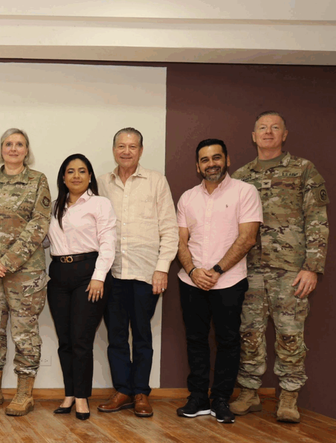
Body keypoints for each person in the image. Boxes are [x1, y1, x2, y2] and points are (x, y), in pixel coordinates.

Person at [230, 112, 330, 423]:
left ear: (284, 134)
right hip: (249, 269)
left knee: (290, 334)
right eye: (263, 128)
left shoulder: (303, 170)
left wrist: (312, 266)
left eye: (275, 128)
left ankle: (288, 396)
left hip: (291, 270)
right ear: (253, 135)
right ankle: (249, 392)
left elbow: (317, 219)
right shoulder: (240, 176)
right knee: (249, 333)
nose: (268, 132)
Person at [175, 139, 262, 424]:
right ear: (197, 166)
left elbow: (248, 238)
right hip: (191, 281)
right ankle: (198, 397)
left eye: (216, 157)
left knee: (228, 341)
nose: (211, 163)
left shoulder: (245, 192)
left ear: (227, 160)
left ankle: (221, 399)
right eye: (205, 159)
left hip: (229, 281)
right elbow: (180, 240)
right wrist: (192, 271)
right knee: (195, 340)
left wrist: (216, 270)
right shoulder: (188, 197)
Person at [0, 128, 50, 417]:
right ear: (1, 149)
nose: (13, 149)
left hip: (25, 274)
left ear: (27, 150)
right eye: (8, 144)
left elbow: (39, 224)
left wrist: (8, 261)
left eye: (19, 144)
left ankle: (24, 394)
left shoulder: (37, 180)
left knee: (24, 333)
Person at [97, 127, 178, 417]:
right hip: (113, 273)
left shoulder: (156, 181)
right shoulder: (101, 183)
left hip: (146, 273)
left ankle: (141, 392)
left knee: (142, 335)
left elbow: (169, 229)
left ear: (141, 151)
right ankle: (123, 391)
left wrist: (162, 269)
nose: (126, 151)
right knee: (116, 336)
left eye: (132, 146)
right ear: (114, 150)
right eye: (121, 146)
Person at [47, 154, 116, 421]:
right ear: (63, 177)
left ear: (90, 176)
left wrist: (99, 276)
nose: (76, 176)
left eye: (82, 171)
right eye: (70, 171)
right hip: (58, 275)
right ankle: (69, 393)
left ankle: (82, 396)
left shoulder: (100, 204)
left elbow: (108, 241)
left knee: (81, 340)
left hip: (89, 274)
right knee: (65, 340)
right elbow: (46, 240)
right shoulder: (55, 206)